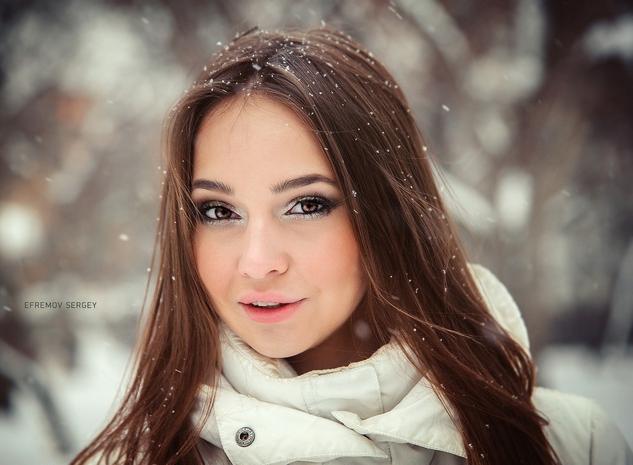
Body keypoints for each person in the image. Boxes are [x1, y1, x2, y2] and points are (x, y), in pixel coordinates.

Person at [71, 26, 632, 465]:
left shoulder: (572, 446)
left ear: (387, 215)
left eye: (307, 204)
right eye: (219, 212)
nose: (258, 261)